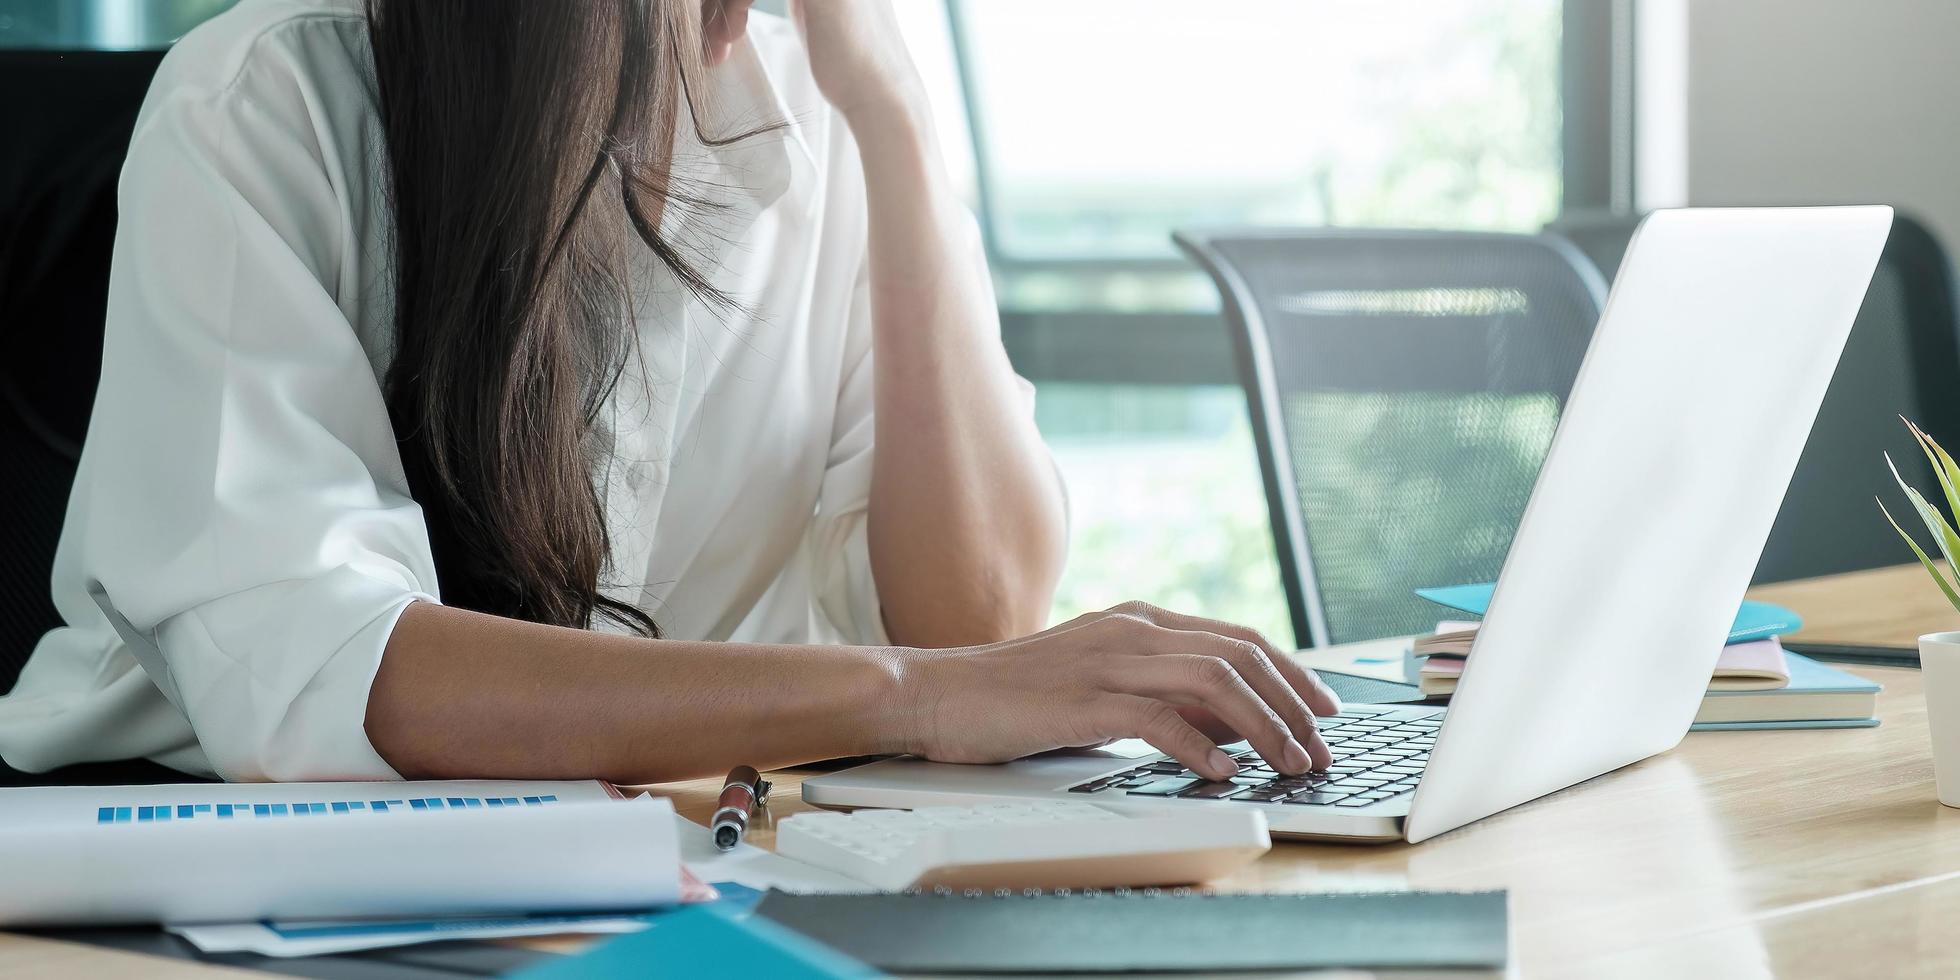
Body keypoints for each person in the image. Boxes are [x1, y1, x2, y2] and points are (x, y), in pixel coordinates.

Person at [0, 0, 1337, 788]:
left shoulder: (820, 107)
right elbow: (332, 682)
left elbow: (979, 617)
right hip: (187, 881)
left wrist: (899, 124)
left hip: (665, 852)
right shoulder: (265, 104)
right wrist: (905, 693)